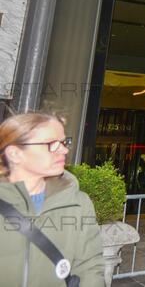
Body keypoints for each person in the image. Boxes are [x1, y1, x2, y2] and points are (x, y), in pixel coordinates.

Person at [0, 113, 105, 287]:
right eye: (51, 144)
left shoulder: (78, 203)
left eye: (64, 142)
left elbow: (90, 266)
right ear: (15, 153)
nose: (64, 150)